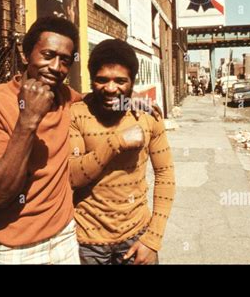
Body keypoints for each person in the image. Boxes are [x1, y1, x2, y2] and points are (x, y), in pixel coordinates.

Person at [0, 16, 82, 264]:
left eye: (65, 60)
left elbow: (96, 102)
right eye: (48, 55)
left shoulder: (64, 96)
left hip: (66, 237)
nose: (55, 66)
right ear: (26, 54)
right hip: (17, 250)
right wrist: (28, 119)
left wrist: (135, 103)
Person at [68, 39, 175, 265]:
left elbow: (165, 177)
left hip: (138, 236)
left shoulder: (148, 116)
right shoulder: (76, 114)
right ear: (91, 79)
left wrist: (152, 239)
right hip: (87, 245)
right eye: (102, 80)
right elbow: (73, 177)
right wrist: (116, 142)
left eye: (120, 81)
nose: (110, 88)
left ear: (132, 82)